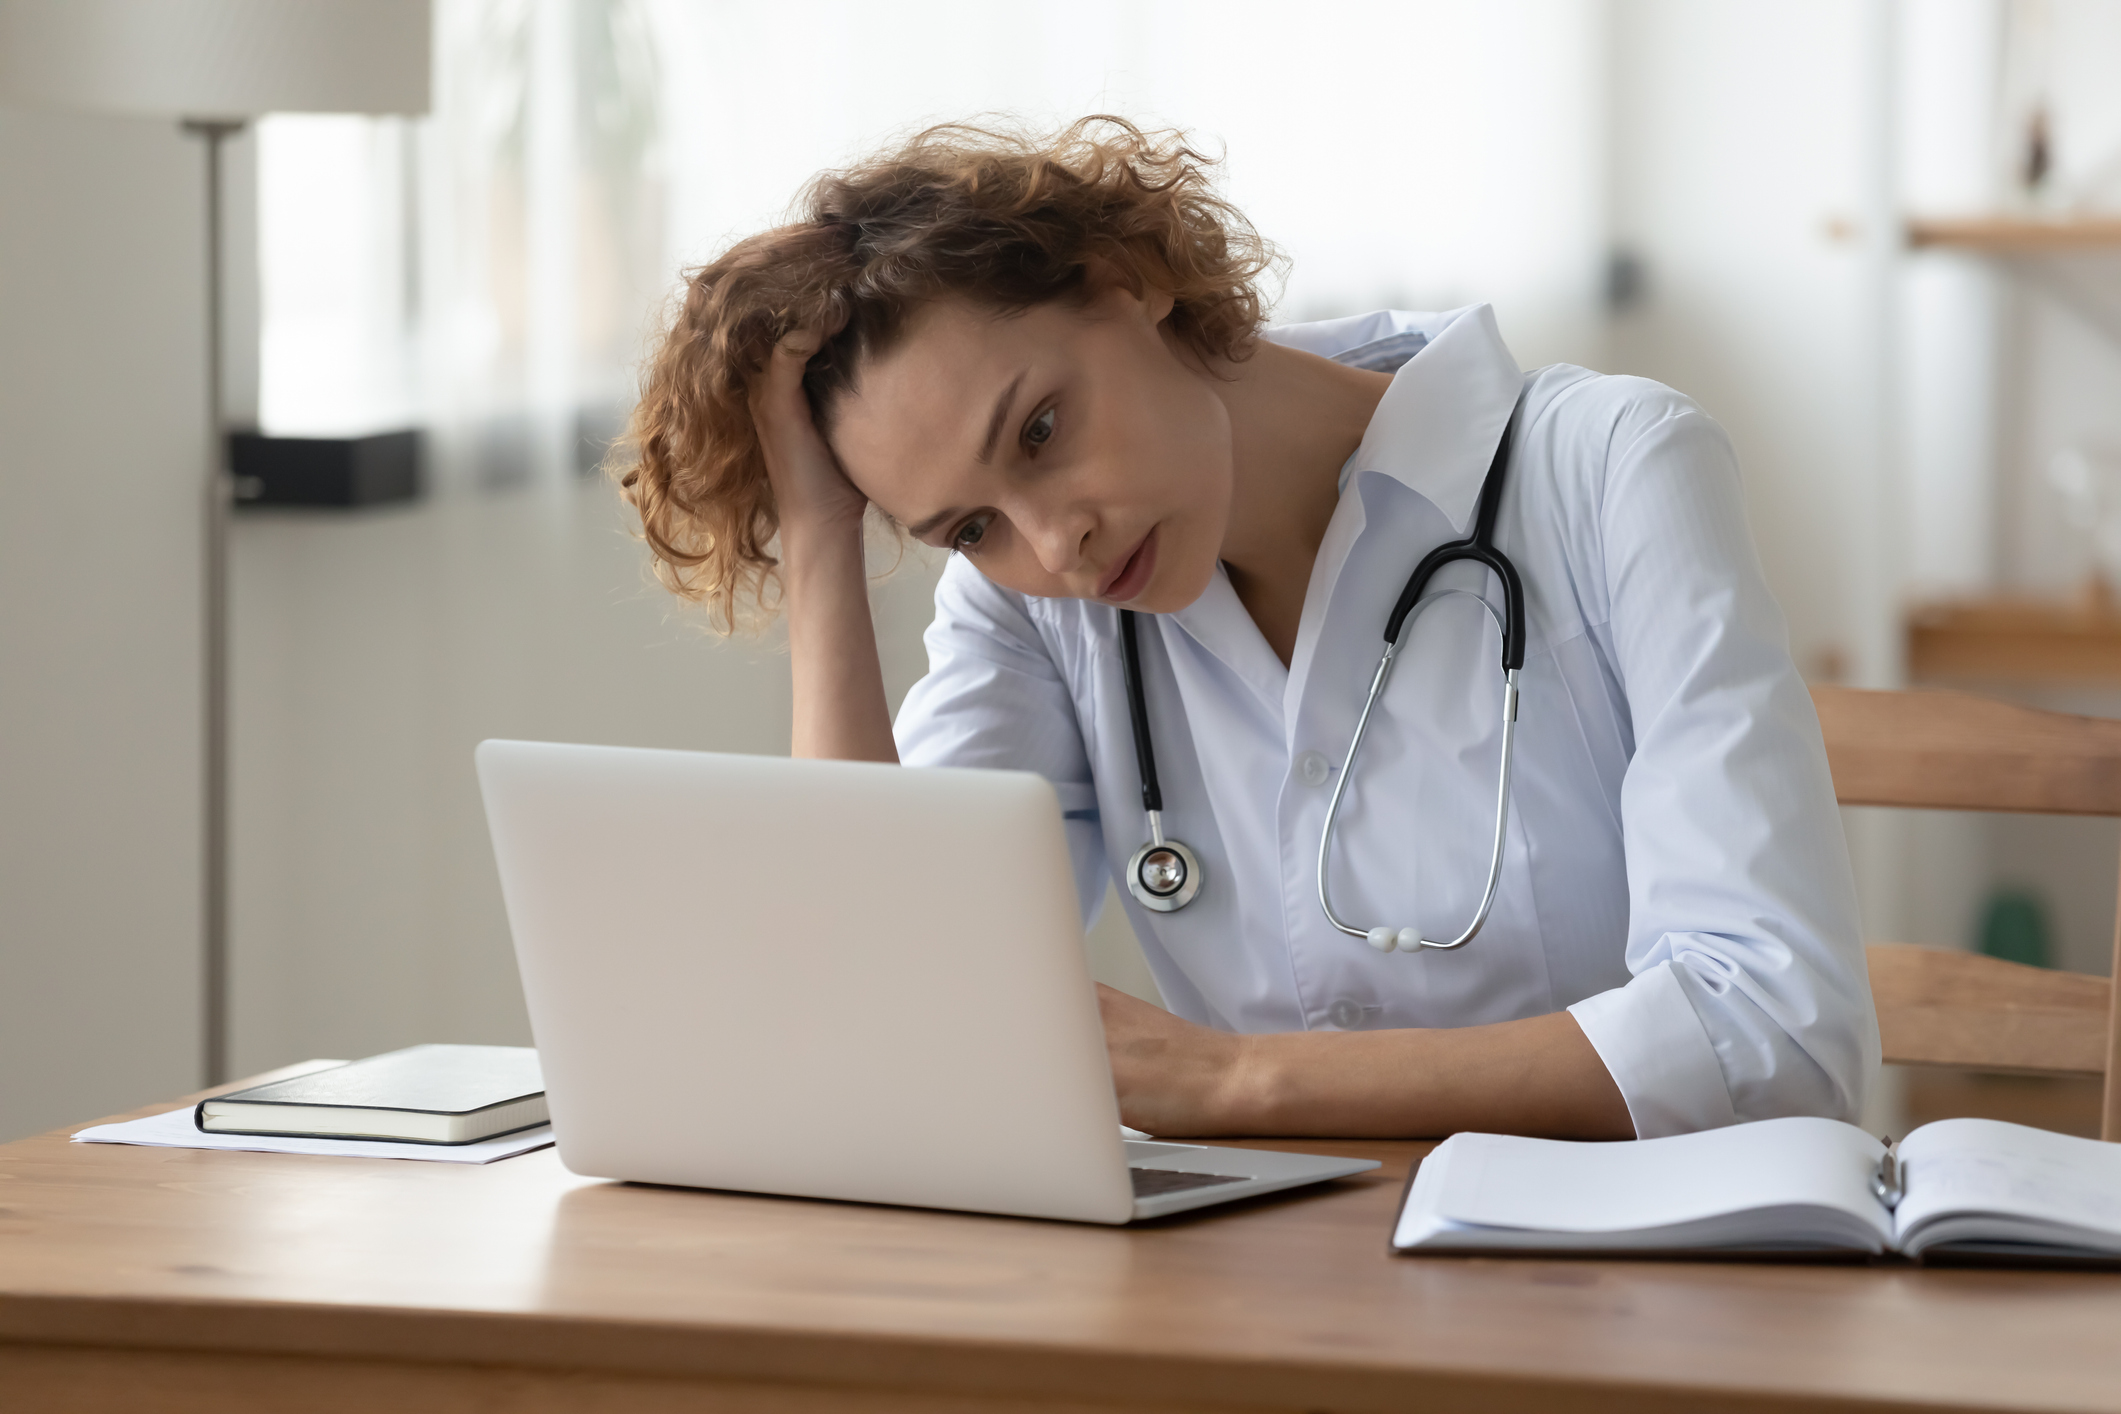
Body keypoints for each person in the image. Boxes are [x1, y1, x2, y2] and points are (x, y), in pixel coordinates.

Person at [616, 117, 1878, 1141]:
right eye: (968, 525)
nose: (1055, 543)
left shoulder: (1608, 473)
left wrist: (1236, 1085)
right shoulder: (1033, 604)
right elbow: (876, 1015)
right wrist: (824, 538)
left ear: (1137, 282)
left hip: (1645, 1308)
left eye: (1042, 431)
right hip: (1266, 1307)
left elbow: (1777, 1032)